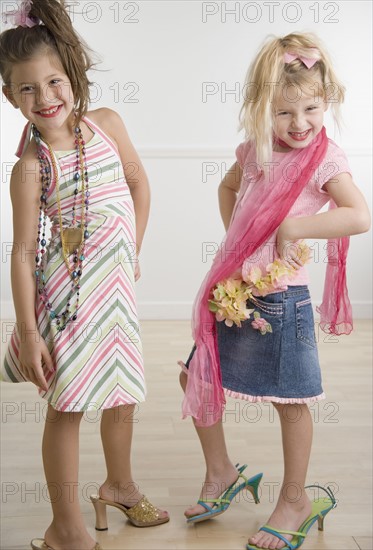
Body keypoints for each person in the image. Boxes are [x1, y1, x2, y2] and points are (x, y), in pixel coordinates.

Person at [178, 32, 370, 550]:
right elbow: (228, 189)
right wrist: (239, 246)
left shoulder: (326, 161)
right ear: (263, 110)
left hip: (283, 302)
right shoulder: (255, 148)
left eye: (311, 108)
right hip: (234, 290)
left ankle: (295, 499)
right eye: (285, 112)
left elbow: (359, 215)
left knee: (291, 401)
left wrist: (292, 231)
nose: (300, 123)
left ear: (325, 102)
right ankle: (221, 472)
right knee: (195, 374)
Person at [0, 1, 169, 549]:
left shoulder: (109, 127)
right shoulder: (30, 167)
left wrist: (132, 250)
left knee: (123, 393)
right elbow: (24, 253)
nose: (45, 98)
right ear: (9, 97)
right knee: (68, 407)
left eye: (54, 81)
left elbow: (139, 185)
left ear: (72, 77)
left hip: (116, 291)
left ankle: (118, 485)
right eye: (27, 89)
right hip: (69, 300)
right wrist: (29, 335)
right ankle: (64, 527)